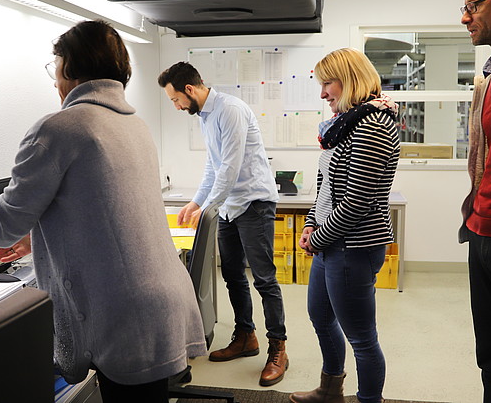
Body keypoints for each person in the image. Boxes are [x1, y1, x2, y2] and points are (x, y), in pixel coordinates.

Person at [0, 20, 207, 403]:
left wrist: (16, 229)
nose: (54, 80)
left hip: (123, 311)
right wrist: (37, 239)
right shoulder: (133, 124)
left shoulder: (59, 129)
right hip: (158, 297)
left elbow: (0, 228)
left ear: (69, 67)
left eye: (55, 68)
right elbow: (99, 212)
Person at [158, 62, 288, 386]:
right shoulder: (205, 116)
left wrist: (208, 207)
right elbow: (213, 168)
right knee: (231, 274)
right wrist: (196, 202)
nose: (175, 107)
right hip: (230, 206)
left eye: (175, 100)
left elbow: (229, 168)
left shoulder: (230, 110)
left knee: (264, 279)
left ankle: (278, 349)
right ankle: (246, 336)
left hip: (254, 202)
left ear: (189, 90)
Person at [289, 48, 400, 403]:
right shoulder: (348, 122)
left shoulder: (374, 125)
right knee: (321, 318)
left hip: (353, 248)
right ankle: (329, 390)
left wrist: (317, 237)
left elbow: (356, 203)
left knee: (362, 338)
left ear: (350, 79)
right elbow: (326, 187)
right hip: (331, 244)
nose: (323, 94)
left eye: (327, 83)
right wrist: (310, 224)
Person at [458, 0, 491, 403]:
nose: (465, 17)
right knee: (489, 355)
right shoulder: (486, 83)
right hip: (482, 230)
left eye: (474, 5)